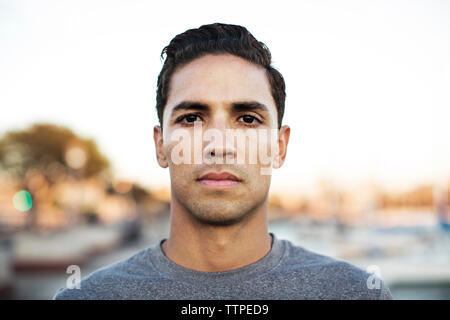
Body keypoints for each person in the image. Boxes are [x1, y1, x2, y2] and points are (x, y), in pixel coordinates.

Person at [54, 23, 392, 300]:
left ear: (279, 146)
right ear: (160, 146)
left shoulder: (357, 294)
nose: (219, 145)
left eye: (247, 119)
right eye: (190, 118)